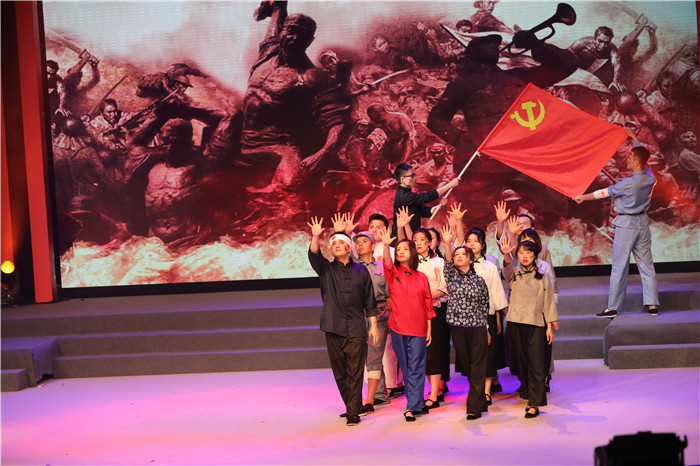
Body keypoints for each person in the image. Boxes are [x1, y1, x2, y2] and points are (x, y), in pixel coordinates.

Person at [307, 217, 379, 426]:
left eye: (341, 243)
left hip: (356, 327)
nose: (337, 246)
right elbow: (313, 254)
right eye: (334, 244)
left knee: (355, 370)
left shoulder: (361, 271)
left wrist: (374, 325)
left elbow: (369, 300)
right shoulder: (326, 269)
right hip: (333, 325)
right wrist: (316, 236)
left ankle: (353, 411)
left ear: (349, 248)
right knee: (340, 371)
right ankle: (352, 405)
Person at [574, 145, 660, 317]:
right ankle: (652, 306)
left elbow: (603, 193)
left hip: (626, 225)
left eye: (630, 157)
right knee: (647, 266)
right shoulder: (650, 178)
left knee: (619, 267)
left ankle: (613, 307)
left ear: (637, 162)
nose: (627, 159)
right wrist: (635, 139)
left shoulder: (627, 184)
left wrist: (583, 197)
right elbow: (647, 164)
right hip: (642, 224)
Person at [378, 226, 435, 422]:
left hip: (419, 327)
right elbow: (386, 263)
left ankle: (412, 406)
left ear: (412, 253)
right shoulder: (393, 274)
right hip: (398, 327)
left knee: (417, 366)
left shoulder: (422, 277)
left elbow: (428, 304)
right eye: (398, 250)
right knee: (407, 366)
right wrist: (386, 245)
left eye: (405, 249)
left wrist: (429, 328)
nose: (401, 252)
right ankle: (416, 403)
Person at [499, 236, 558, 418]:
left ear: (535, 255)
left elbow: (549, 302)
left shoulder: (542, 275)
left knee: (537, 363)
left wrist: (550, 325)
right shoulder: (514, 274)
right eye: (521, 253)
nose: (525, 256)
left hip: (537, 324)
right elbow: (507, 270)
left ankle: (534, 403)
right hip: (516, 323)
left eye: (529, 252)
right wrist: (507, 255)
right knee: (522, 362)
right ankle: (528, 392)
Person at [440, 224, 491, 419]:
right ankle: (480, 400)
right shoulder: (452, 277)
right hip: (458, 327)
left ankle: (473, 407)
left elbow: (484, 306)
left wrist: (486, 329)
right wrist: (447, 244)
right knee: (469, 366)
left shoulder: (479, 281)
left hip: (477, 327)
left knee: (478, 365)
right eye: (457, 255)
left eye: (463, 254)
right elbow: (447, 263)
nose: (459, 256)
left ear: (470, 259)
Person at [460, 224, 508, 402]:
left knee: (488, 353)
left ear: (482, 245)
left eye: (476, 241)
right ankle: (475, 389)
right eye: (469, 241)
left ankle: (486, 392)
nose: (472, 244)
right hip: (466, 317)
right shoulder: (460, 265)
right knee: (471, 354)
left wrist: (498, 317)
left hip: (488, 315)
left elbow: (496, 293)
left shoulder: (490, 266)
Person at [352, 231, 391, 412]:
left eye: (364, 241)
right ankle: (379, 394)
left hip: (380, 312)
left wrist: (392, 315)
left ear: (373, 246)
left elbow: (388, 293)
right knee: (360, 356)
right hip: (358, 314)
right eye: (357, 242)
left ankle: (373, 398)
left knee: (375, 355)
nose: (360, 244)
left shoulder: (382, 267)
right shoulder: (352, 267)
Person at [412, 228, 448, 410]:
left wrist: (424, 297)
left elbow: (444, 287)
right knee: (421, 352)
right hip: (414, 312)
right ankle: (428, 391)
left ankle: (435, 394)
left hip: (435, 311)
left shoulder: (439, 262)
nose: (418, 243)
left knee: (434, 350)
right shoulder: (410, 264)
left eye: (422, 239)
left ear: (429, 242)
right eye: (415, 240)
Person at [391, 163, 460, 239]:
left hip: (411, 238)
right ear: (402, 179)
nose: (415, 178)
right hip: (400, 240)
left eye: (414, 175)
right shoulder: (403, 196)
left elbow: (425, 211)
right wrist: (450, 185)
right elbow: (427, 197)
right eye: (412, 176)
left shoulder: (409, 195)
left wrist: (440, 205)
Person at [568, 26, 623, 92]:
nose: (602, 45)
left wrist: (616, 80)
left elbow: (617, 63)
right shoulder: (582, 43)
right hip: (575, 67)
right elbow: (566, 53)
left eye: (606, 43)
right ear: (594, 38)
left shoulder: (611, 48)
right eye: (600, 41)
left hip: (590, 71)